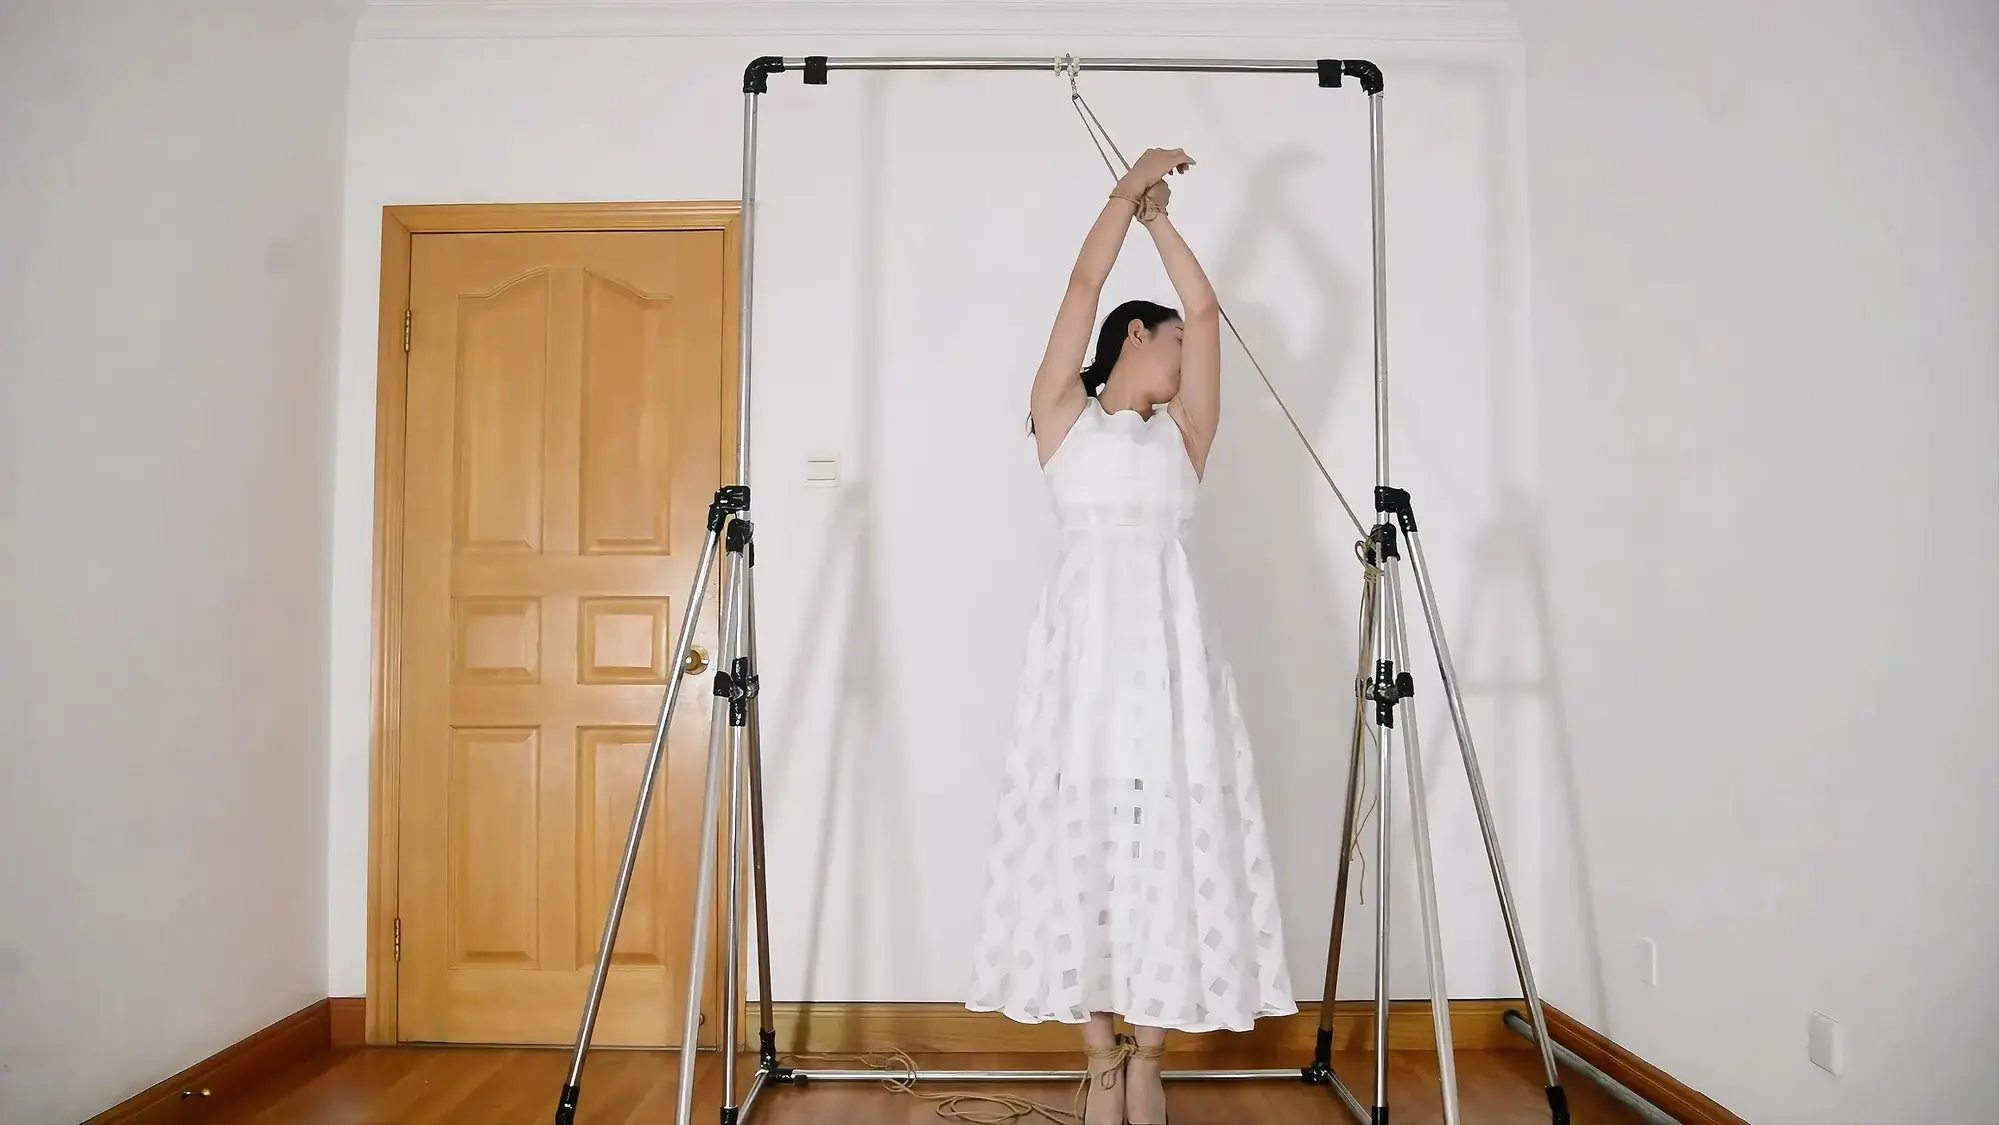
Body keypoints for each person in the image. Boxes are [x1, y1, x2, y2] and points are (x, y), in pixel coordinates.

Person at [967, 148, 1296, 1125]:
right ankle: (1099, 1053)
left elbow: (1208, 312)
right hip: (1082, 662)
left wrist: (1161, 220)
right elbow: (1082, 285)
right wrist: (1125, 190)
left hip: (1167, 660)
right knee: (1084, 836)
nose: (1189, 357)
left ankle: (1148, 1053)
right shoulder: (1061, 417)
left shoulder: (1183, 435)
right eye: (1172, 343)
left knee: (1164, 837)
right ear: (1134, 335)